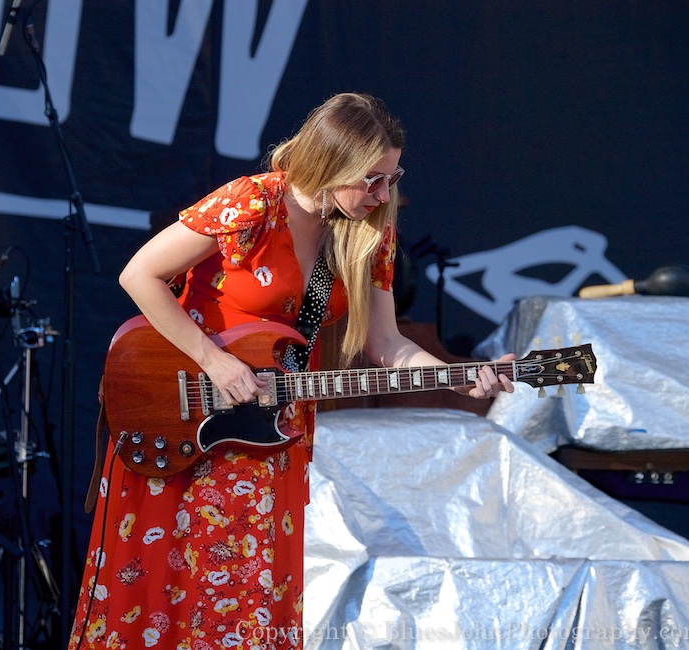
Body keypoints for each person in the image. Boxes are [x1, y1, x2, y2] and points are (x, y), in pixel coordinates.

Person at [67, 92, 515, 649]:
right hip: (184, 413)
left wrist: (453, 375)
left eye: (392, 178)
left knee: (248, 599)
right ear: (331, 163)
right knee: (162, 591)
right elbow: (139, 274)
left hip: (272, 430)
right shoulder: (254, 201)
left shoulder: (368, 233)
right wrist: (214, 360)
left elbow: (386, 344)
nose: (383, 195)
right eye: (372, 179)